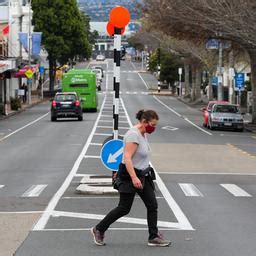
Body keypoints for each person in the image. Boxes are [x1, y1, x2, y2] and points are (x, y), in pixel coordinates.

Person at [91, 110, 171, 247]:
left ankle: (153, 237)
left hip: (143, 175)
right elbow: (127, 158)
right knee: (124, 208)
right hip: (130, 176)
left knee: (152, 205)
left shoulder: (143, 133)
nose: (154, 128)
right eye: (153, 125)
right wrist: (134, 178)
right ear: (144, 122)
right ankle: (99, 229)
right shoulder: (133, 135)